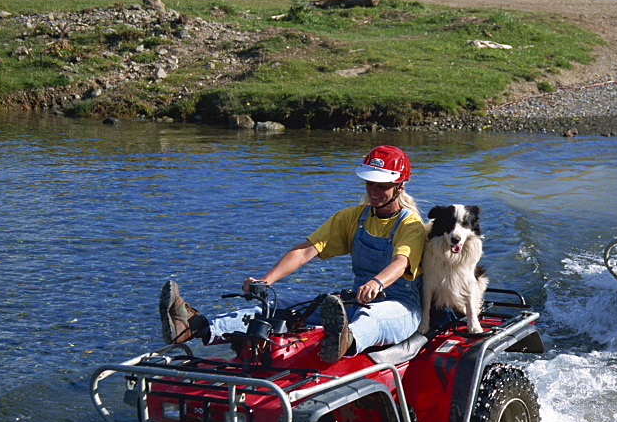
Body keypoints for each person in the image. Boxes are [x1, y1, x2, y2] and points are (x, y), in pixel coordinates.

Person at [159, 145, 426, 364]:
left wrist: (376, 283)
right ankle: (197, 326)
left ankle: (343, 340)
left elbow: (401, 262)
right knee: (283, 305)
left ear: (400, 186)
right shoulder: (352, 218)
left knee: (371, 318)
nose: (373, 191)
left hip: (400, 308)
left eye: (381, 186)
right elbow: (305, 251)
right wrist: (266, 282)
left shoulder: (409, 224)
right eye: (369, 183)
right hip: (356, 301)